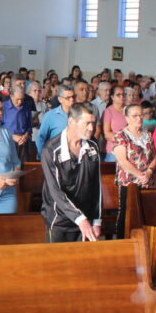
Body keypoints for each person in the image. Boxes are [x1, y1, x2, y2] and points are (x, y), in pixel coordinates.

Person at [40, 103, 102, 243]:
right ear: (71, 121)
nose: (91, 128)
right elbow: (55, 191)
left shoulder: (93, 146)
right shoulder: (51, 150)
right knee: (57, 263)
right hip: (59, 221)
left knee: (82, 264)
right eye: (87, 123)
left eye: (93, 123)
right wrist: (80, 219)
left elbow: (96, 187)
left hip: (85, 219)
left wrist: (97, 221)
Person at [112, 101, 155, 238]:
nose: (139, 118)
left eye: (141, 115)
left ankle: (142, 245)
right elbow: (122, 161)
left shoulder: (147, 134)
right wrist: (140, 175)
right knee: (126, 214)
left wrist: (148, 173)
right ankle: (121, 245)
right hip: (128, 182)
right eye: (135, 116)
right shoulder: (121, 135)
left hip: (146, 181)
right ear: (127, 118)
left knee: (145, 214)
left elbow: (154, 157)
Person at [35, 81, 74, 155]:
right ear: (60, 99)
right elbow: (40, 138)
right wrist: (44, 156)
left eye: (73, 96)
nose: (72, 99)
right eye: (68, 97)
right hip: (56, 157)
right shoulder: (50, 115)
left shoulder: (79, 114)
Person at [1, 85, 36, 163]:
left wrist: (26, 135)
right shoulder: (3, 107)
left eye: (22, 99)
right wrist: (13, 136)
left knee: (24, 167)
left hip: (23, 142)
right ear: (11, 96)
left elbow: (29, 125)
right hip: (7, 142)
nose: (20, 102)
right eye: (17, 99)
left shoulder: (26, 106)